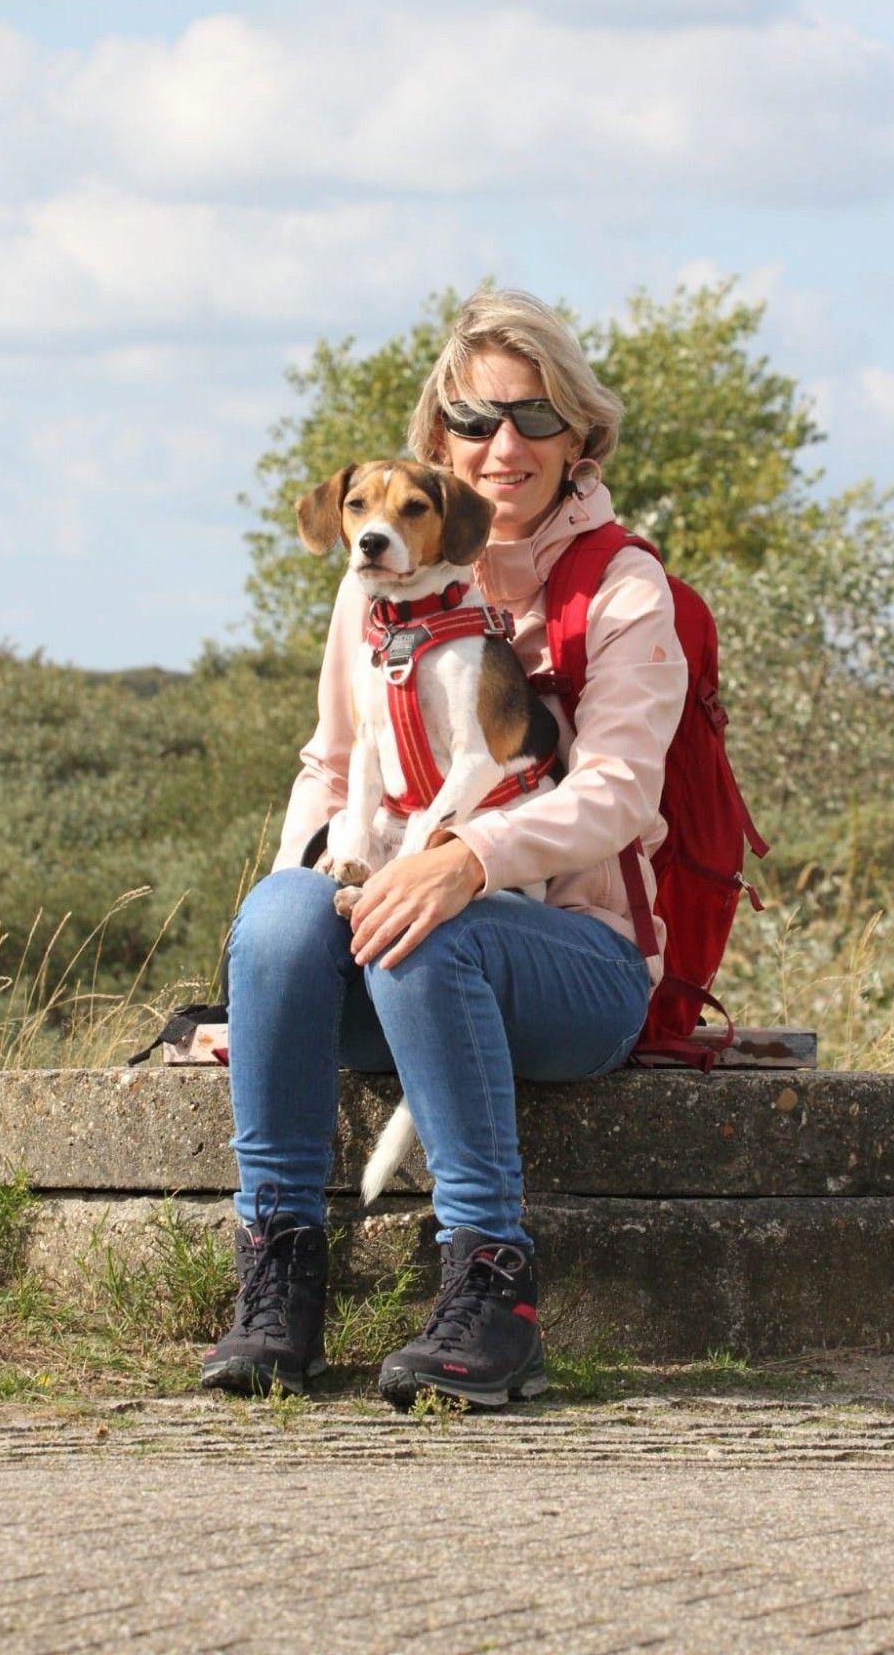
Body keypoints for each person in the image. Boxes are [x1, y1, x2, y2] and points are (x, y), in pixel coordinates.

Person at [202, 287, 687, 1409]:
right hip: (398, 939)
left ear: (581, 437)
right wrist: (271, 944)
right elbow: (332, 769)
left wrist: (465, 857)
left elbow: (614, 792)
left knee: (430, 927)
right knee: (279, 914)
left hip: (576, 959)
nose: (501, 445)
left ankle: (490, 1280)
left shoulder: (620, 585)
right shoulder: (372, 580)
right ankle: (279, 1271)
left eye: (532, 418)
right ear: (436, 438)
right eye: (472, 420)